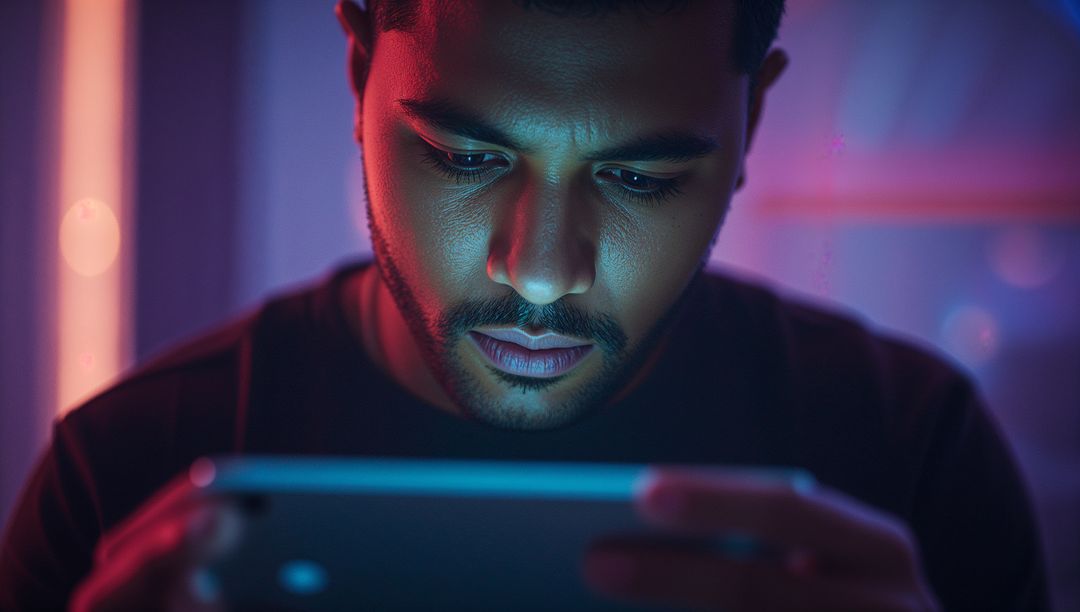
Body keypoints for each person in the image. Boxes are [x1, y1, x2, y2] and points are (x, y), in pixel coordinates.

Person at [0, 0, 1049, 609]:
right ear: (358, 71)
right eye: (465, 156)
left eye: (639, 178)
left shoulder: (914, 455)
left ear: (754, 122)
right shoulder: (124, 477)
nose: (542, 273)